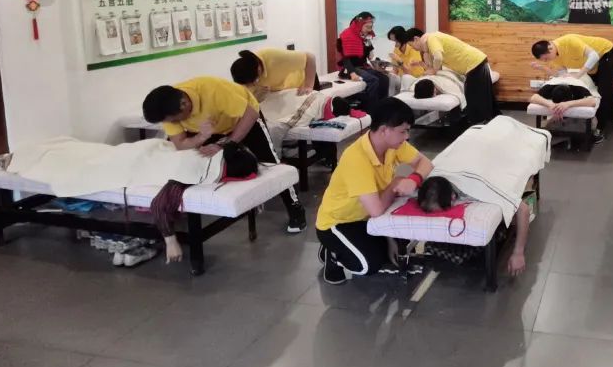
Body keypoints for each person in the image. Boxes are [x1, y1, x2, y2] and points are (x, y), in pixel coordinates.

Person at [142, 76, 307, 233]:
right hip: (211, 129)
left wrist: (227, 143)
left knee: (271, 164)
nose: (172, 123)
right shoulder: (168, 110)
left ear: (184, 104)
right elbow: (180, 144)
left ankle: (295, 207)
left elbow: (251, 114)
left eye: (173, 120)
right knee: (200, 163)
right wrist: (202, 137)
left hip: (245, 118)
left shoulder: (213, 89)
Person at [314, 98, 433, 284]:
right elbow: (376, 210)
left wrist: (414, 179)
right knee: (368, 265)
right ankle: (333, 253)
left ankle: (350, 246)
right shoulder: (356, 158)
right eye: (403, 131)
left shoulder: (393, 145)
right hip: (338, 223)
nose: (407, 137)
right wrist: (395, 184)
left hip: (366, 216)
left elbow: (425, 163)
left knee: (399, 244)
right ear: (384, 130)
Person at [416, 176, 531, 276]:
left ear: (453, 197)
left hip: (483, 175)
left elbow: (523, 210)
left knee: (511, 220)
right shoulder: (430, 184)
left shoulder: (481, 188)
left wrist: (518, 253)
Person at [530, 34, 613, 141]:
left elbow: (594, 56)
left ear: (550, 48)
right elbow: (561, 74)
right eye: (544, 60)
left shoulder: (569, 41)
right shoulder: (554, 58)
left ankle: (600, 128)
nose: (547, 61)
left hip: (606, 52)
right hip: (589, 66)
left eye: (546, 58)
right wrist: (543, 68)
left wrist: (578, 75)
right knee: (607, 85)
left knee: (604, 89)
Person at [406, 28, 498, 124]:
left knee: (475, 98)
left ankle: (481, 124)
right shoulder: (429, 45)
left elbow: (438, 58)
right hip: (475, 62)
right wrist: (423, 65)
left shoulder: (431, 38)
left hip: (474, 63)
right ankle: (493, 119)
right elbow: (436, 63)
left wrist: (433, 70)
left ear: (416, 39)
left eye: (411, 45)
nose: (413, 48)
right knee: (484, 97)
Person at [339, 12, 389, 110]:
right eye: (367, 27)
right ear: (359, 25)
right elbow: (345, 58)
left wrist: (378, 66)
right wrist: (352, 73)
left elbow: (370, 56)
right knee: (373, 80)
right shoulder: (347, 35)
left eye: (371, 27)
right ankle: (371, 109)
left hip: (363, 66)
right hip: (351, 67)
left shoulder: (364, 37)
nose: (369, 29)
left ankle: (382, 107)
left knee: (384, 78)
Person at [230, 47, 318, 101]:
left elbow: (310, 57)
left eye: (252, 82)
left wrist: (309, 85)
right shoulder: (244, 75)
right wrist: (257, 96)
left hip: (306, 82)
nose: (252, 85)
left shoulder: (273, 57)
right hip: (285, 93)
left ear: (259, 70)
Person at [528, 81, 599, 125]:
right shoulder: (548, 87)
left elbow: (592, 101)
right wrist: (550, 105)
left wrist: (568, 104)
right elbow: (533, 97)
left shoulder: (578, 87)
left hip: (575, 79)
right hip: (558, 79)